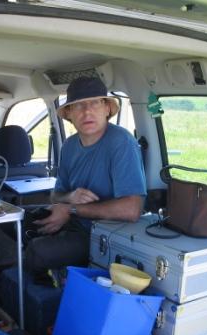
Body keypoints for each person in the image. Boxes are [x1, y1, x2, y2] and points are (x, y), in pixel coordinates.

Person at [25, 76, 146, 275]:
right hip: (72, 220)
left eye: (95, 103)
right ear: (70, 114)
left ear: (107, 109)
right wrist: (69, 198)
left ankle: (49, 289)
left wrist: (71, 209)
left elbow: (132, 209)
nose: (87, 111)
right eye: (79, 105)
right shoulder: (69, 146)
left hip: (103, 233)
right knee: (14, 222)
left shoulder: (121, 142)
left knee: (37, 252)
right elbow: (56, 196)